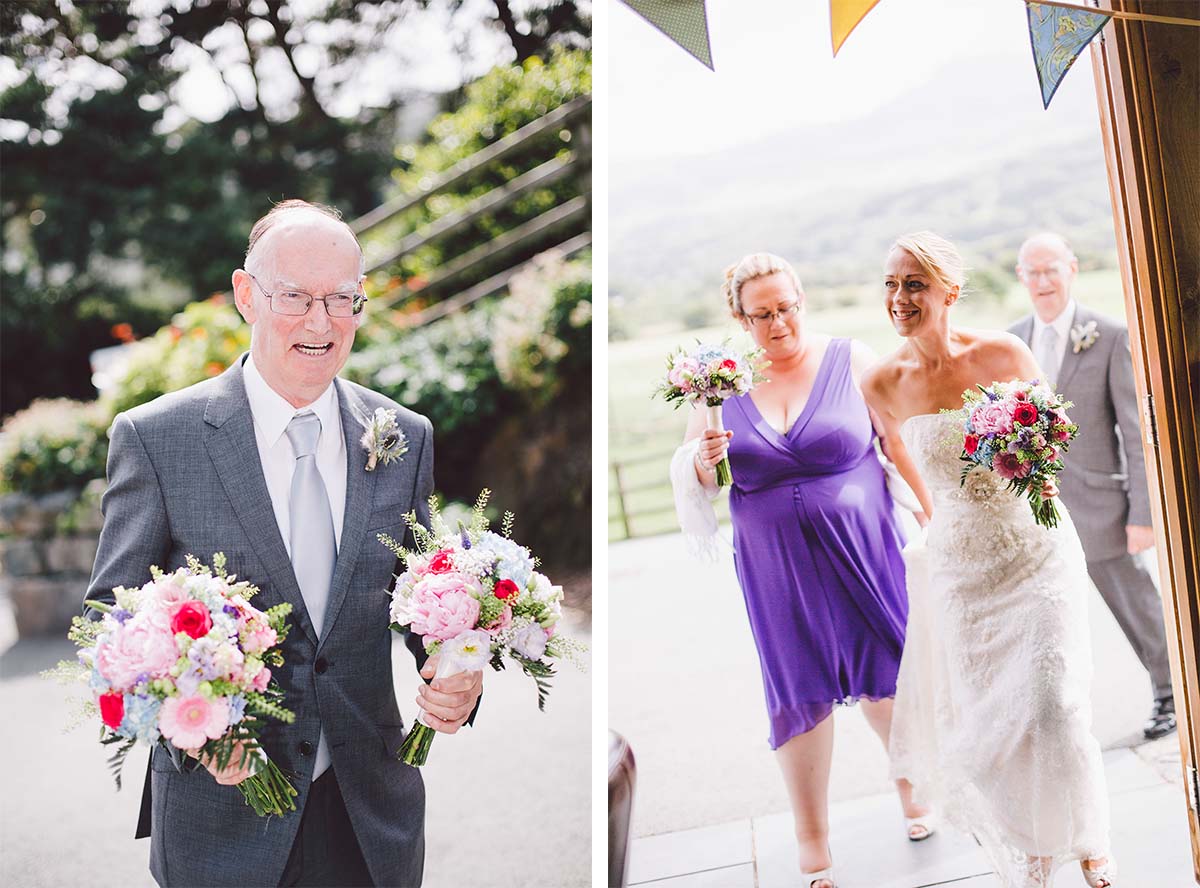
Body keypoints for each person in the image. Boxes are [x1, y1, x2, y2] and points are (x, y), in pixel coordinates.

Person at [84, 200, 483, 887]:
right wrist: (189, 723)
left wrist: (458, 670)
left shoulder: (404, 436)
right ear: (247, 295)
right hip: (222, 823)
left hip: (368, 815)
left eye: (341, 299)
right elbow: (106, 626)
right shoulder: (157, 439)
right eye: (295, 296)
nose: (320, 322)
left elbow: (423, 598)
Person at [862, 231, 1114, 887]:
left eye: (914, 284)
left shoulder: (1003, 353)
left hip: (1033, 549)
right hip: (962, 569)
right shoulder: (882, 382)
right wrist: (937, 516)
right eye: (891, 283)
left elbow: (1051, 437)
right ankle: (1034, 847)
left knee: (1052, 704)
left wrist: (1025, 466)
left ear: (949, 291)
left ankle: (1087, 833)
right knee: (992, 726)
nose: (899, 297)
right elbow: (896, 456)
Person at [671, 253, 931, 888]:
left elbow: (898, 441)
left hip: (866, 548)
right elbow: (701, 477)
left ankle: (914, 788)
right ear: (740, 319)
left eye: (786, 307)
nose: (778, 323)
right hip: (775, 566)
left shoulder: (852, 358)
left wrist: (934, 514)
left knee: (888, 672)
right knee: (798, 689)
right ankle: (811, 835)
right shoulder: (718, 385)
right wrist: (704, 459)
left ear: (802, 300)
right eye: (762, 315)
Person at [1010, 231, 1174, 740]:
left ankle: (1171, 694)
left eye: (1051, 269)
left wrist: (1142, 514)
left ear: (1072, 270)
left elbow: (1135, 431)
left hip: (1103, 506)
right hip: (1036, 513)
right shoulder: (1011, 342)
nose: (1043, 281)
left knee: (1138, 607)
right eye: (1033, 272)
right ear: (1021, 277)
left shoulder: (1108, 335)